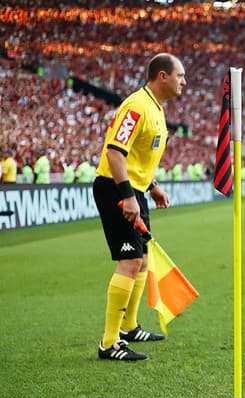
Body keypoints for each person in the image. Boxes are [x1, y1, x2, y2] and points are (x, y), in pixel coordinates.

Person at [93, 53, 186, 361]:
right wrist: (128, 196)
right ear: (162, 76)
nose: (183, 81)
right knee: (130, 261)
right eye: (180, 76)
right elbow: (115, 153)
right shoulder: (136, 106)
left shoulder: (157, 109)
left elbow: (137, 156)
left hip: (136, 190)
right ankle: (109, 342)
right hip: (116, 189)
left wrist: (153, 186)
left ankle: (129, 326)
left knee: (143, 259)